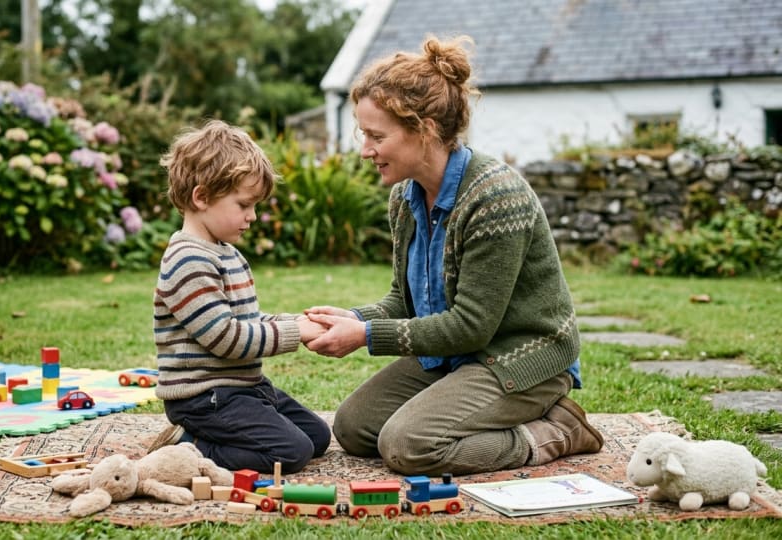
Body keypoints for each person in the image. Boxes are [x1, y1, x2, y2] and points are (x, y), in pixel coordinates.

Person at [304, 35, 604, 477]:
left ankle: (555, 430)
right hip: (457, 356)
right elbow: (404, 302)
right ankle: (471, 408)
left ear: (423, 130)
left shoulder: (494, 197)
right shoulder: (405, 198)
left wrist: (366, 336)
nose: (365, 150)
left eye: (375, 136)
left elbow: (472, 325)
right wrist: (349, 319)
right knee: (354, 428)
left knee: (408, 447)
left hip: (520, 357)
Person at [149, 119, 330, 474]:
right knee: (292, 453)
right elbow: (228, 339)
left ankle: (211, 438)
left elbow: (245, 322)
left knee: (317, 437)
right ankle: (191, 446)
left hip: (241, 388)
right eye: (244, 205)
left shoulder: (225, 251)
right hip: (203, 398)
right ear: (201, 197)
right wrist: (297, 334)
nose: (253, 216)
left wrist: (296, 322)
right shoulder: (188, 260)